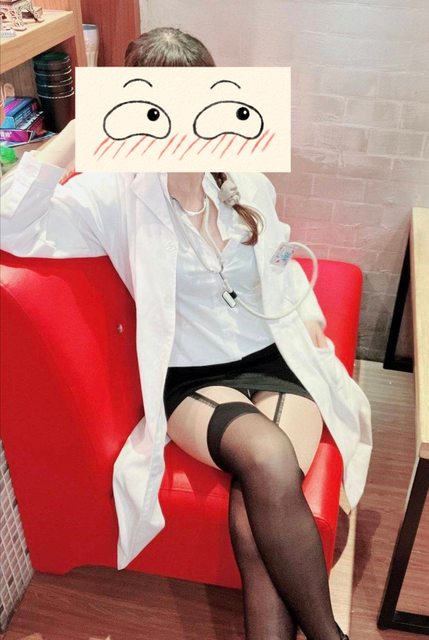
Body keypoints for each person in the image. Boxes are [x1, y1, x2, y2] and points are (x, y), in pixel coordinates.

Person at [0, 27, 372, 640]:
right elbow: (10, 221)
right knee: (268, 457)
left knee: (261, 493)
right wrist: (84, 126)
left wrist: (305, 313)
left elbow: (279, 262)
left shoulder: (244, 177)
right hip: (191, 378)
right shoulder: (113, 194)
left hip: (275, 359)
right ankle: (329, 635)